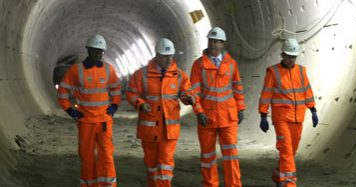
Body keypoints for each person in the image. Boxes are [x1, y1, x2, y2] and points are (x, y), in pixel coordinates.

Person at [126, 38, 196, 187]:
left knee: (165, 164)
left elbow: (187, 93)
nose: (169, 58)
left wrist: (189, 99)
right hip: (149, 130)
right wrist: (140, 104)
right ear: (156, 55)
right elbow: (131, 93)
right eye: (165, 55)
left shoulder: (179, 76)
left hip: (169, 131)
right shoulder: (142, 75)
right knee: (151, 165)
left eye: (171, 55)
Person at [57, 34, 121, 187]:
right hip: (85, 121)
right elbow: (62, 93)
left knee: (106, 155)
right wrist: (70, 110)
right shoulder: (76, 70)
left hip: (104, 121)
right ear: (88, 50)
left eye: (101, 51)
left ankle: (108, 185)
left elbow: (116, 89)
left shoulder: (108, 70)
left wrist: (114, 106)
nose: (98, 54)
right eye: (95, 50)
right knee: (87, 157)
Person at [258, 38, 319, 187]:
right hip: (281, 119)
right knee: (286, 151)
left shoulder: (301, 71)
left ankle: (278, 175)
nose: (291, 59)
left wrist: (312, 109)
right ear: (282, 55)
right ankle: (288, 183)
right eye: (288, 56)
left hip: (298, 118)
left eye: (293, 57)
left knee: (292, 151)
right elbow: (266, 94)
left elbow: (307, 91)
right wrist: (263, 115)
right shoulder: (273, 72)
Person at [190, 27, 246, 187]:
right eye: (211, 41)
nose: (213, 44)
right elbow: (194, 92)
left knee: (231, 155)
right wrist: (198, 111)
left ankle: (234, 184)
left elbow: (237, 87)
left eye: (217, 41)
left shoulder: (231, 64)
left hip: (228, 118)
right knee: (207, 157)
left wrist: (241, 107)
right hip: (207, 118)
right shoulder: (199, 65)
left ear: (223, 44)